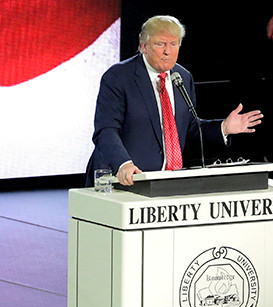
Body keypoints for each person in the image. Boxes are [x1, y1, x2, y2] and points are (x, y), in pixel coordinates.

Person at [85, 15, 263, 186]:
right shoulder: (118, 77)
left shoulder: (182, 77)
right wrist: (123, 164)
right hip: (121, 178)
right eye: (160, 44)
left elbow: (189, 127)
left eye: (173, 44)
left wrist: (224, 128)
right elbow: (106, 130)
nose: (167, 51)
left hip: (164, 182)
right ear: (144, 46)